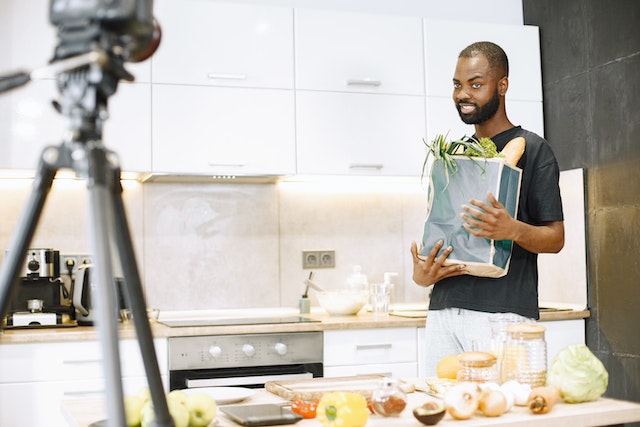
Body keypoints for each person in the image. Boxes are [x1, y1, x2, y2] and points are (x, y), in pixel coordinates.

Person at [410, 41, 565, 375]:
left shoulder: (535, 150)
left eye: (476, 84)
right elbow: (445, 230)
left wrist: (512, 230)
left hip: (502, 316)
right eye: (457, 84)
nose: (463, 94)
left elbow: (556, 238)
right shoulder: (454, 156)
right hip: (443, 311)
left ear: (502, 85)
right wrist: (424, 273)